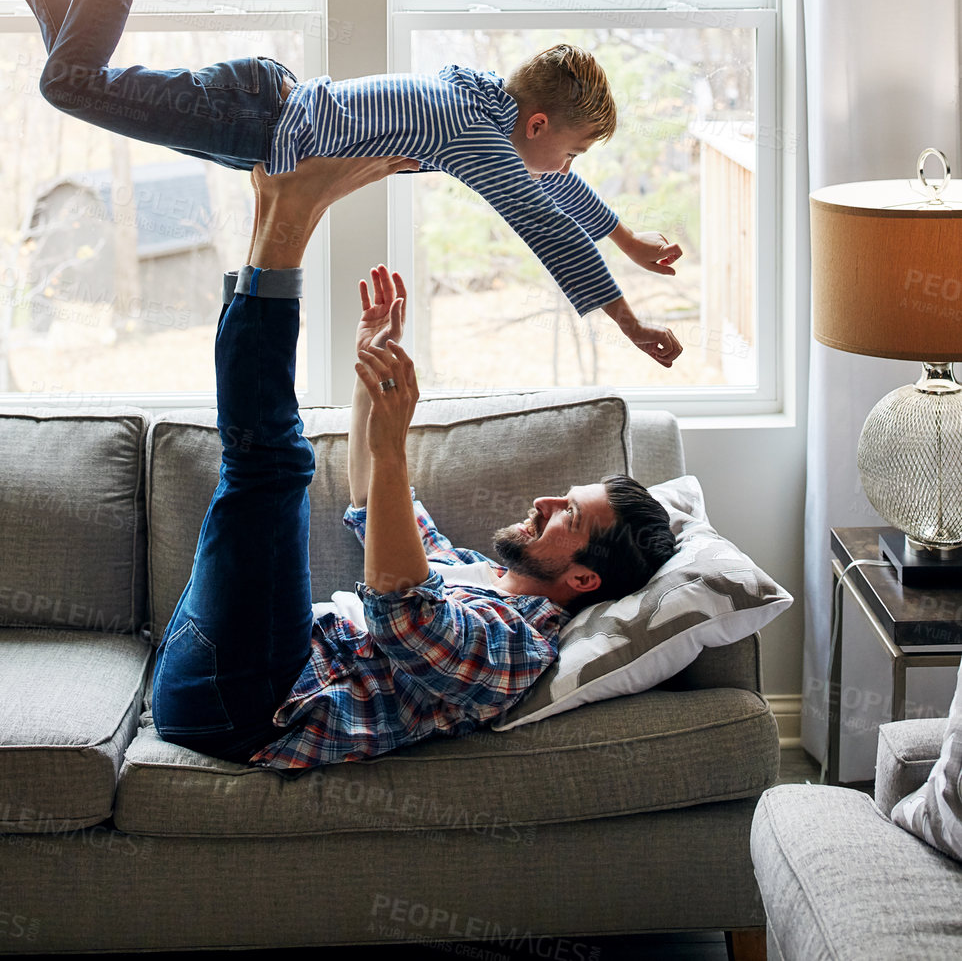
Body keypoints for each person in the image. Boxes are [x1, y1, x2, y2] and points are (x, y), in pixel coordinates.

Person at [0, 0, 684, 368]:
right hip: (253, 116)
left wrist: (624, 238)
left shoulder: (484, 106)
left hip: (258, 118)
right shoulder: (477, 136)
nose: (569, 164)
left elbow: (551, 188)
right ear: (539, 121)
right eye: (574, 149)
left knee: (82, 83)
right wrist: (628, 322)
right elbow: (542, 221)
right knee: (71, 84)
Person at [146, 154, 676, 772]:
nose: (546, 502)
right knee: (265, 464)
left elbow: (401, 612)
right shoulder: (471, 572)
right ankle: (274, 213)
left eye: (571, 517)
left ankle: (286, 222)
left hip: (246, 707)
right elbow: (370, 503)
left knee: (271, 466)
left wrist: (395, 446)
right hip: (225, 658)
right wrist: (372, 366)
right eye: (565, 495)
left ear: (585, 579)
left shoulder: (519, 649)